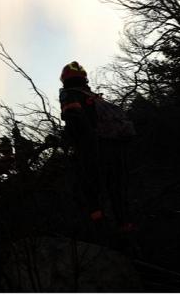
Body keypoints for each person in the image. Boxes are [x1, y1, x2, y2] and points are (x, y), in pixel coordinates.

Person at [59, 61, 135, 232]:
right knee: (117, 190)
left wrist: (72, 143)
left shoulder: (69, 95)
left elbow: (74, 120)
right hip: (114, 146)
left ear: (64, 79)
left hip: (92, 148)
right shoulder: (91, 96)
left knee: (88, 190)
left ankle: (101, 229)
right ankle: (127, 229)